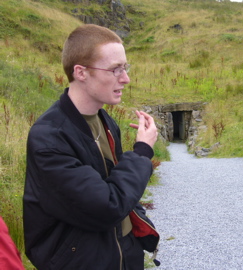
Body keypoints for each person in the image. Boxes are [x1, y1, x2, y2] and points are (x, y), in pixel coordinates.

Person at [23, 24, 160, 270]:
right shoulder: (49, 138)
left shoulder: (104, 120)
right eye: (115, 69)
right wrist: (142, 151)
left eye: (125, 67)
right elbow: (106, 207)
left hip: (123, 253)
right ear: (81, 72)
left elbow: (120, 188)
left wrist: (135, 240)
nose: (125, 78)